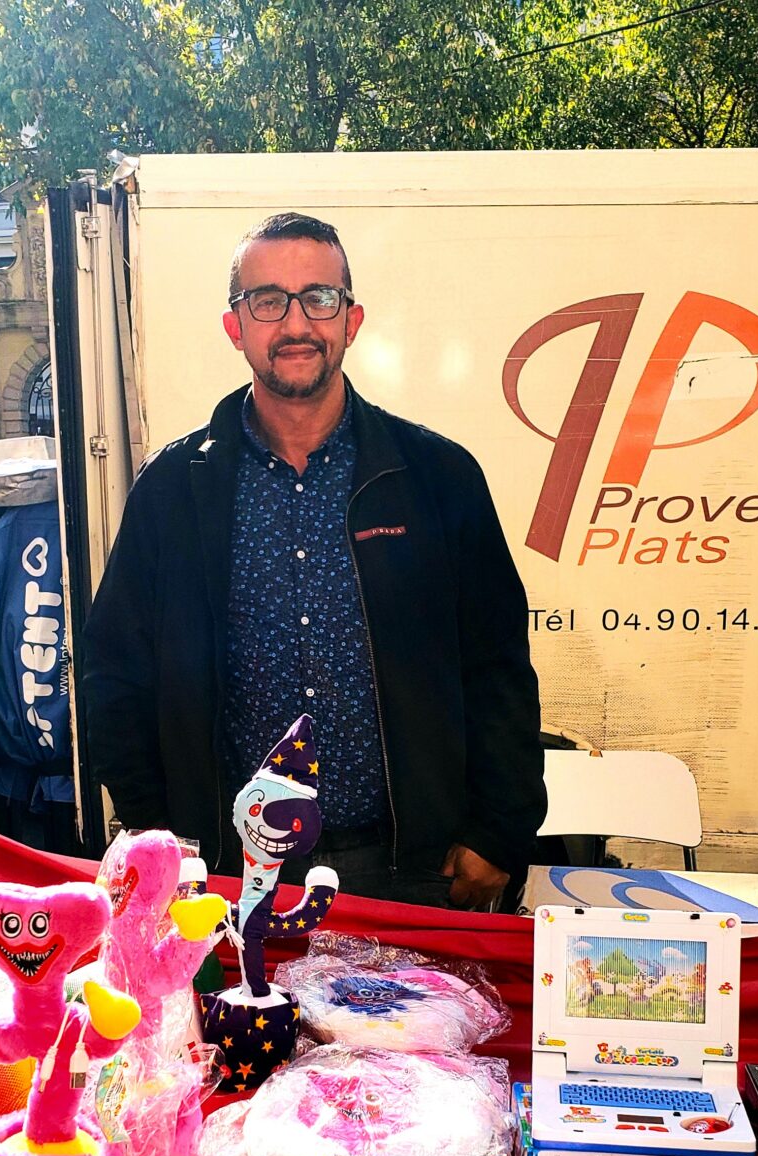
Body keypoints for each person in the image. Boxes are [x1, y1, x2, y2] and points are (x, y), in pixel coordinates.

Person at [80, 211, 544, 909]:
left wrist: (499, 832)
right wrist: (156, 829)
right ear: (236, 326)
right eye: (268, 300)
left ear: (351, 320)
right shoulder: (174, 489)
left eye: (319, 298)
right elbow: (115, 671)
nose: (296, 324)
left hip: (412, 872)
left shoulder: (437, 478)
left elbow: (497, 666)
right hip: (228, 873)